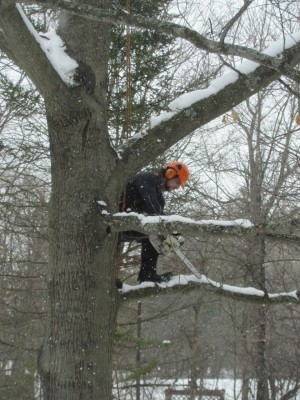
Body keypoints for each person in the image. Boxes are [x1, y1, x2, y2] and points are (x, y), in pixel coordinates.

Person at [119, 162, 190, 283]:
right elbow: (154, 209)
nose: (177, 187)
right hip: (117, 218)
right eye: (177, 182)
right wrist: (164, 231)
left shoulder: (160, 198)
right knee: (152, 231)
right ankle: (145, 275)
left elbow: (160, 216)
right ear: (170, 173)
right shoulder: (147, 179)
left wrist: (170, 236)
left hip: (126, 226)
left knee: (153, 236)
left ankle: (147, 275)